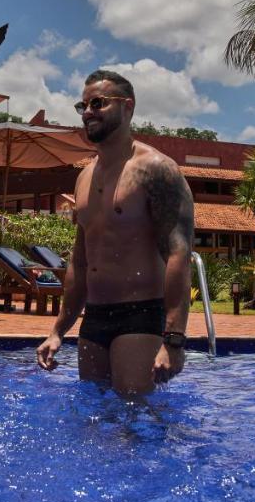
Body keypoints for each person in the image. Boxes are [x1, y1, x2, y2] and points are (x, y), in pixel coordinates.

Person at [35, 69, 194, 395]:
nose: (88, 112)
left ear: (128, 107)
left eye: (98, 103)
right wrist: (57, 331)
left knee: (133, 423)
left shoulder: (156, 169)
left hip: (140, 313)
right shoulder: (84, 178)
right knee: (94, 424)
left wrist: (174, 340)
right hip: (93, 318)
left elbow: (178, 252)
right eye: (83, 107)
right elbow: (80, 262)